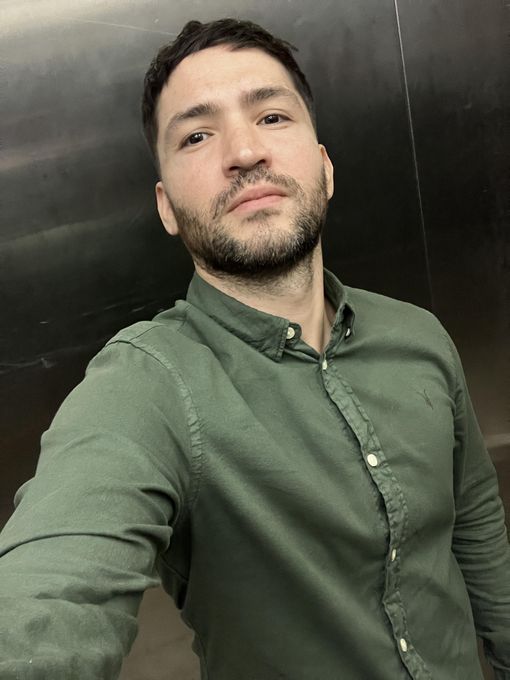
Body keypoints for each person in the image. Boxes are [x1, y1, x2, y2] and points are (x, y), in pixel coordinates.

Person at [0, 16, 509, 680]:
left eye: (271, 117)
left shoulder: (421, 338)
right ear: (166, 207)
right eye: (197, 135)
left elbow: (476, 526)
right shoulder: (147, 388)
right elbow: (44, 603)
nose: (244, 151)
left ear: (324, 167)